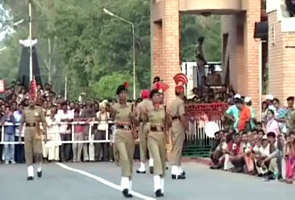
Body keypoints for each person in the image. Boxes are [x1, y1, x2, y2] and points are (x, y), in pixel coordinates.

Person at [111, 82, 139, 198]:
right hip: (119, 133)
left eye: (125, 93)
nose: (124, 95)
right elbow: (111, 117)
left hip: (129, 133)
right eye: (121, 93)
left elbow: (137, 122)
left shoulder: (132, 107)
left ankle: (128, 187)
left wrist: (134, 117)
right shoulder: (114, 107)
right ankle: (124, 186)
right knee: (124, 158)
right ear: (118, 95)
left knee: (130, 160)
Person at [146, 89, 170, 197]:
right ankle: (157, 188)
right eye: (154, 95)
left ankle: (162, 187)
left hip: (161, 135)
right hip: (152, 134)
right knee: (156, 159)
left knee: (162, 160)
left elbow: (167, 124)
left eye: (158, 95)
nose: (157, 97)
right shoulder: (148, 110)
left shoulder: (164, 109)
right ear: (151, 98)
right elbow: (143, 121)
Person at [19, 97, 47, 180]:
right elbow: (21, 123)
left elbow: (44, 122)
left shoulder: (39, 109)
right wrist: (20, 136)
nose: (31, 101)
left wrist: (46, 134)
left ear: (35, 101)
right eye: (29, 100)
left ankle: (39, 167)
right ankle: (30, 174)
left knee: (37, 152)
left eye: (32, 100)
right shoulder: (25, 110)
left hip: (37, 130)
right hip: (27, 130)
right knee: (28, 152)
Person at [169, 73, 188, 180]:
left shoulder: (173, 102)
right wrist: (186, 126)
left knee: (176, 146)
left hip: (173, 124)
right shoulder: (180, 102)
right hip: (178, 124)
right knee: (177, 148)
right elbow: (182, 115)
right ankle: (175, 171)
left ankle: (178, 168)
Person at [136, 90, 153, 174]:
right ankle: (152, 163)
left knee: (142, 145)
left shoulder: (140, 105)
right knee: (151, 145)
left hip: (143, 124)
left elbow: (138, 117)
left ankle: (142, 166)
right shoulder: (152, 104)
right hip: (152, 124)